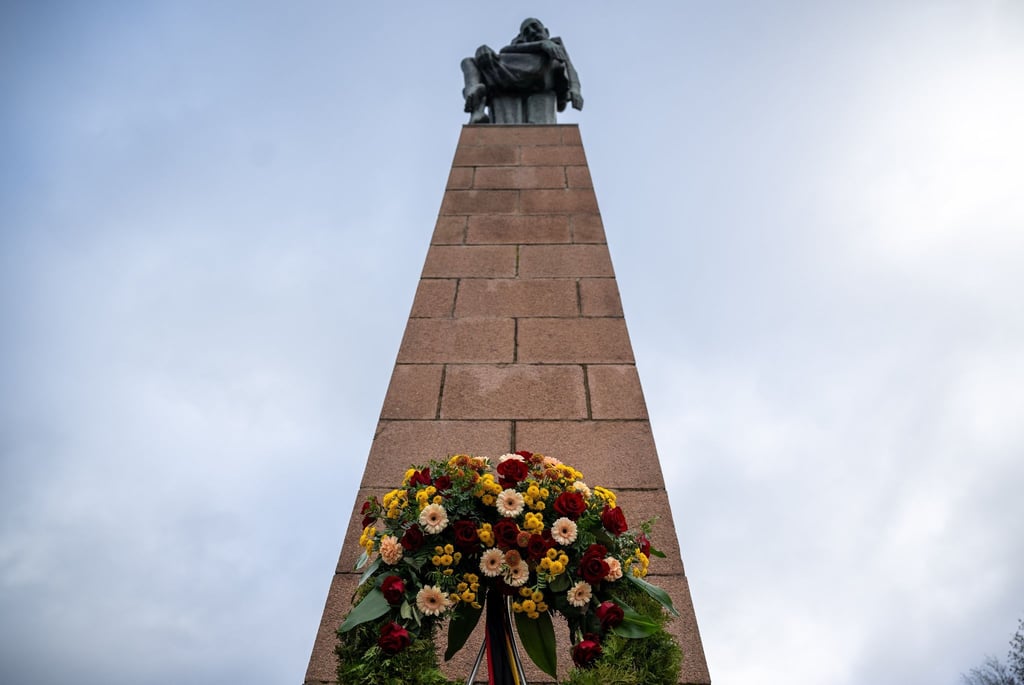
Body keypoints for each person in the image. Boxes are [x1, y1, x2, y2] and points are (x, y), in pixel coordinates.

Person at [461, 18, 583, 124]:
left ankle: (478, 92)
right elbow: (505, 50)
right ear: (522, 38)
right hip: (512, 76)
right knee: (468, 62)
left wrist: (575, 90)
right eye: (527, 32)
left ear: (546, 31)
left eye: (535, 27)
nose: (532, 32)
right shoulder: (523, 48)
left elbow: (569, 67)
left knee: (547, 60)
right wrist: (541, 44)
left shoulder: (555, 45)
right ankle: (476, 107)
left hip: (541, 75)